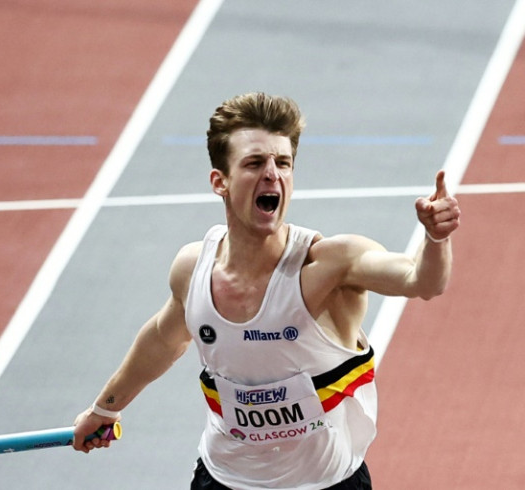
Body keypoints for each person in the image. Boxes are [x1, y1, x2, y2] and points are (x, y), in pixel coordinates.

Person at [72, 92, 461, 489]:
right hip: (223, 480)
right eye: (255, 163)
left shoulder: (330, 265)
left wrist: (435, 237)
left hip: (327, 485)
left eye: (283, 163)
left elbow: (421, 281)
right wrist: (106, 408)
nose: (272, 173)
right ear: (219, 181)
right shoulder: (193, 269)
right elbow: (163, 339)